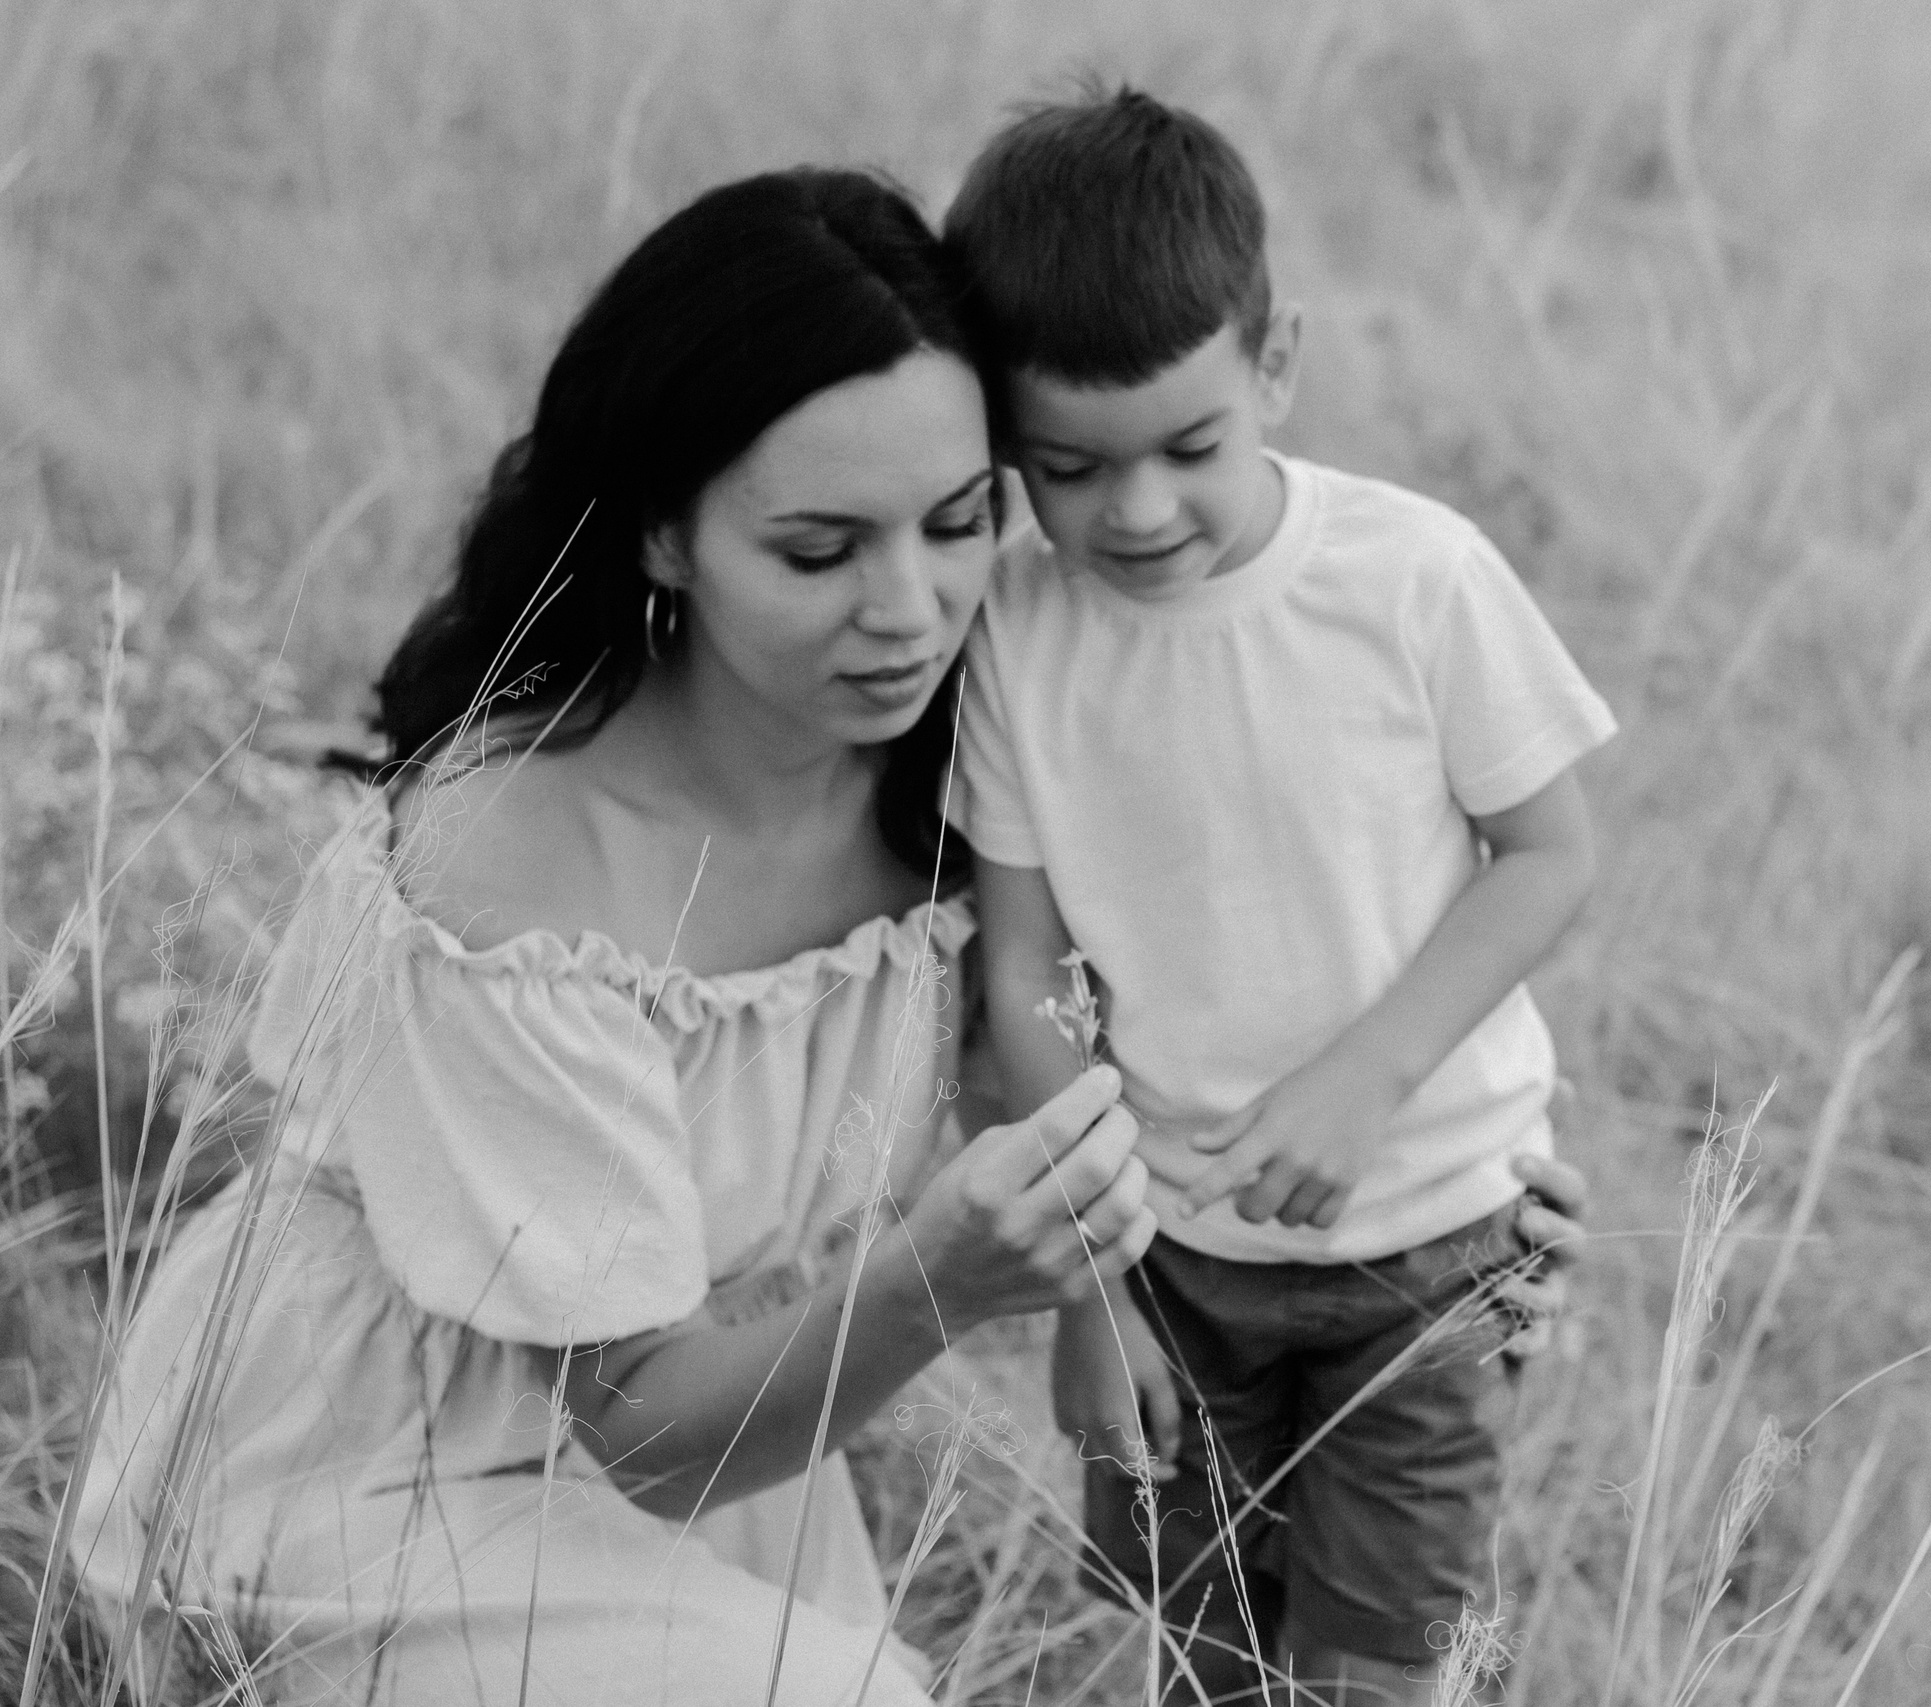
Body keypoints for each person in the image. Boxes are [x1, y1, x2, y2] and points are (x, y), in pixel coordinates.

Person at [68, 168, 1161, 1707]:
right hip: (376, 1475)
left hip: (741, 1424)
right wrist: (946, 1281)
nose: (911, 607)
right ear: (662, 538)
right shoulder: (514, 867)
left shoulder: (976, 754)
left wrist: (1468, 1182)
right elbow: (639, 1431)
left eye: (959, 520)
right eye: (818, 549)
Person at [944, 89, 1620, 1704]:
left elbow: (1553, 853)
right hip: (1169, 1260)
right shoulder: (1022, 637)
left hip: (1434, 1240)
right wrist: (1095, 1284)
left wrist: (1363, 1075)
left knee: (1380, 1671)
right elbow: (1025, 959)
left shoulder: (1414, 580)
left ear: (1277, 363)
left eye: (1191, 447)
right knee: (1205, 1662)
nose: (1139, 513)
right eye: (1071, 469)